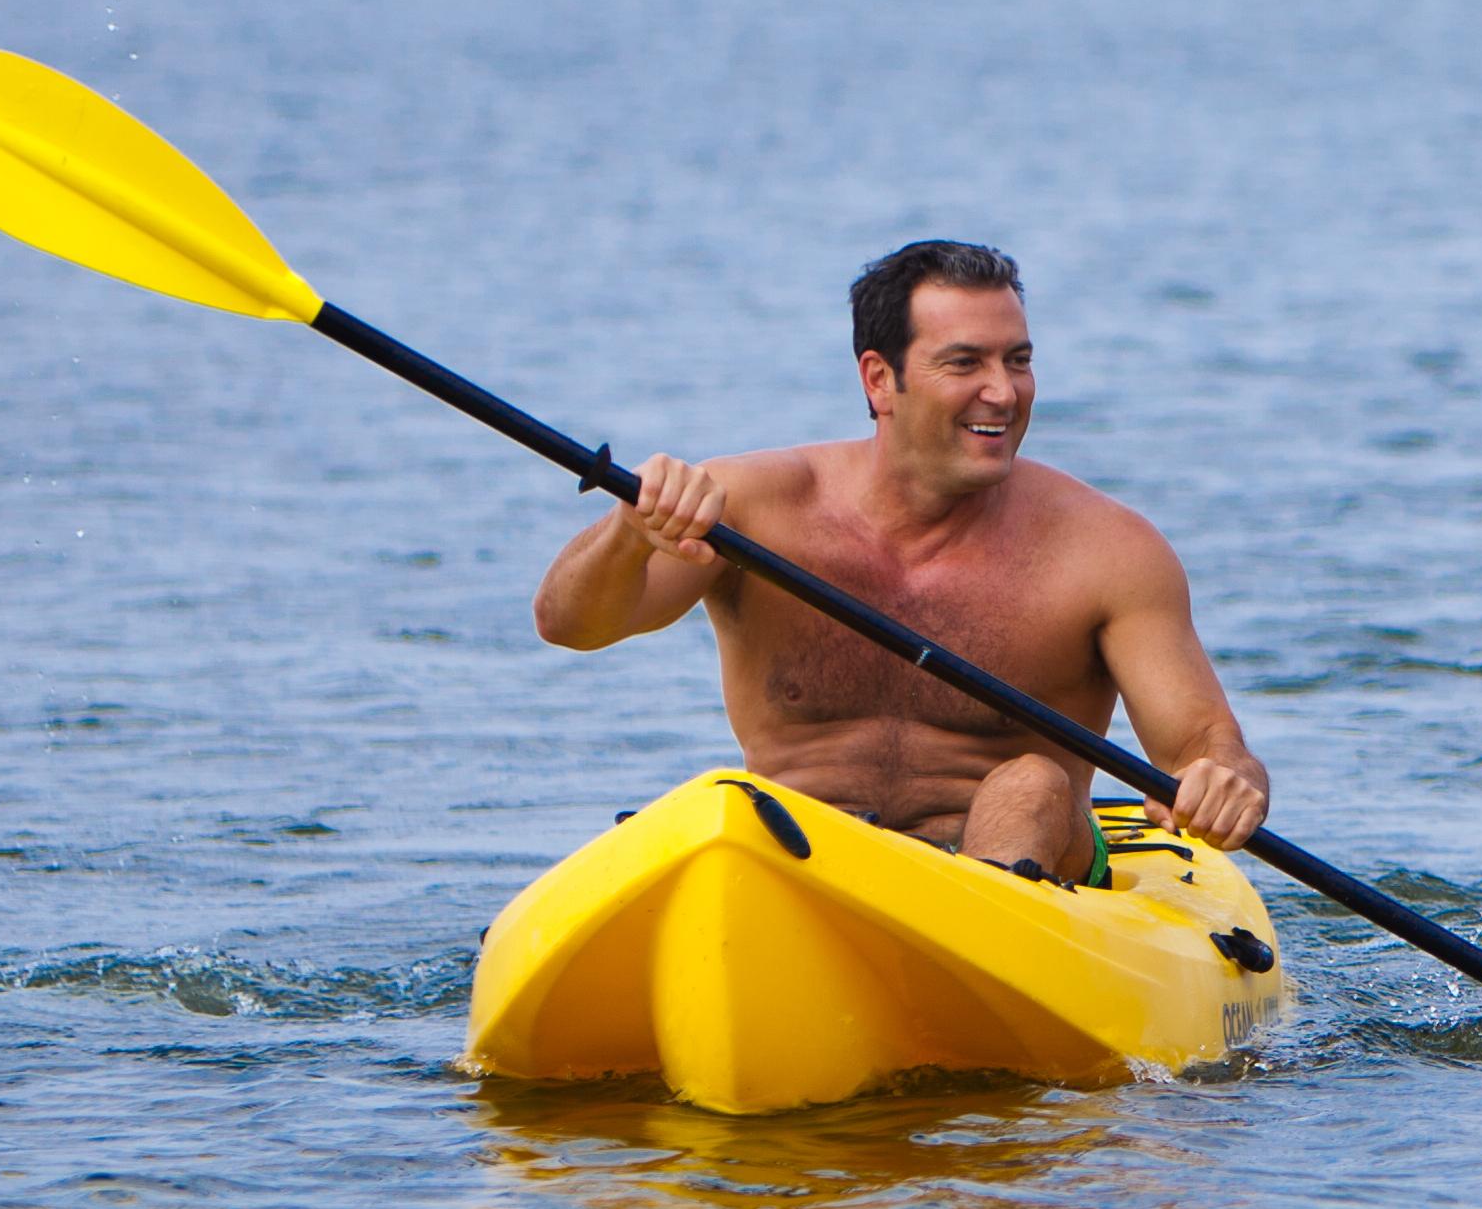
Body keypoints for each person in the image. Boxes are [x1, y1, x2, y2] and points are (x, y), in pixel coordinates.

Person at [534, 238, 1269, 881]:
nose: (1003, 391)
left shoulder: (1106, 550)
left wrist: (1223, 781)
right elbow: (569, 625)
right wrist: (633, 530)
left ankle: (977, 953)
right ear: (879, 380)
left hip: (1032, 884)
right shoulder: (753, 508)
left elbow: (1200, 745)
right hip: (807, 866)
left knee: (1032, 784)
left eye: (1018, 361)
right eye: (964, 363)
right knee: (718, 800)